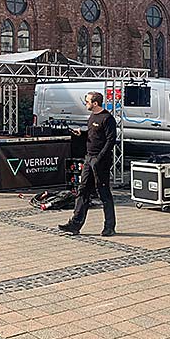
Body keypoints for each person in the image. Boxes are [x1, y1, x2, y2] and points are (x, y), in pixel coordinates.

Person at [58, 91, 117, 236]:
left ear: (95, 103)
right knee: (82, 190)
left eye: (88, 101)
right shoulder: (92, 117)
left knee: (103, 193)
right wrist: (82, 133)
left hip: (100, 161)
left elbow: (111, 140)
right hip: (88, 158)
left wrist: (99, 158)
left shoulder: (107, 118)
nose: (86, 104)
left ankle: (109, 226)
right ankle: (75, 224)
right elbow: (93, 134)